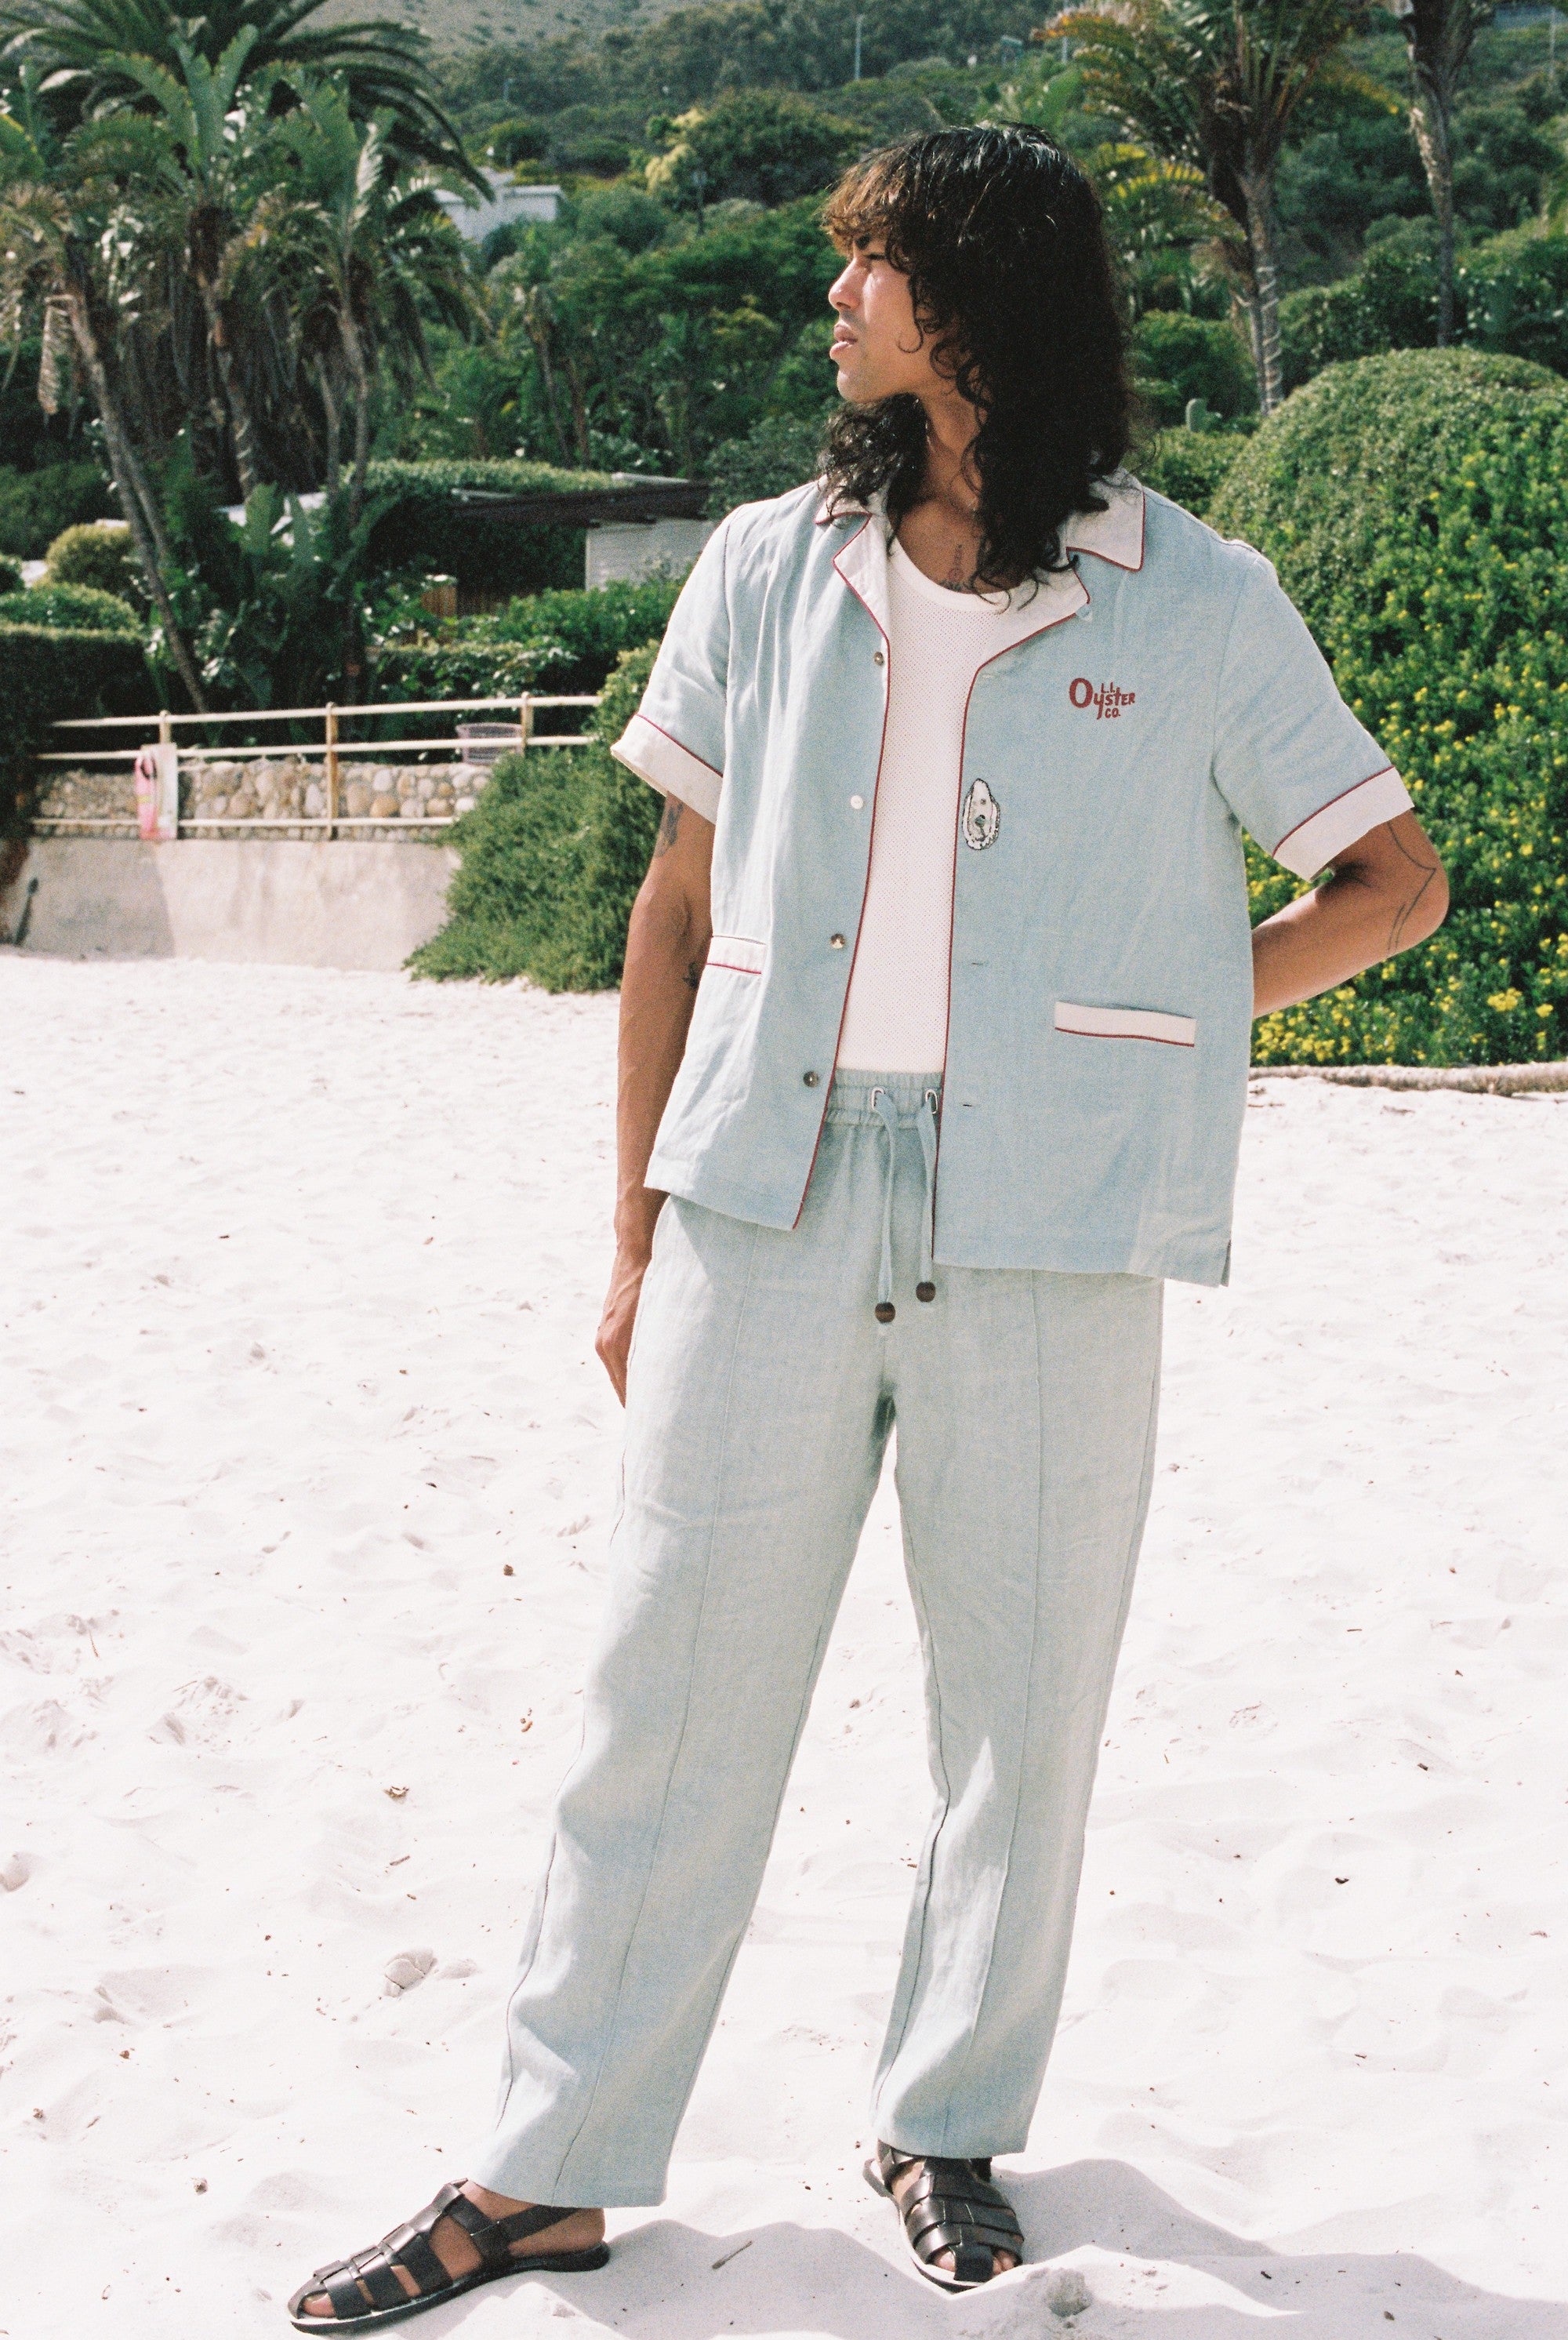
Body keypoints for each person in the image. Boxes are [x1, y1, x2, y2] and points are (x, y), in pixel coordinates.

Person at [290, 124, 1449, 2327]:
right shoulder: (761, 562)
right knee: (666, 1688)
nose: (835, 303)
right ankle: (546, 2170)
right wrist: (633, 1235)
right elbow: (674, 907)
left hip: (1051, 1222)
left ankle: (949, 2127)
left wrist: (1177, 1025)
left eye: (872, 267)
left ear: (980, 300)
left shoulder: (1198, 599)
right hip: (766, 1197)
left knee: (1019, 1713)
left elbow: (1393, 884)